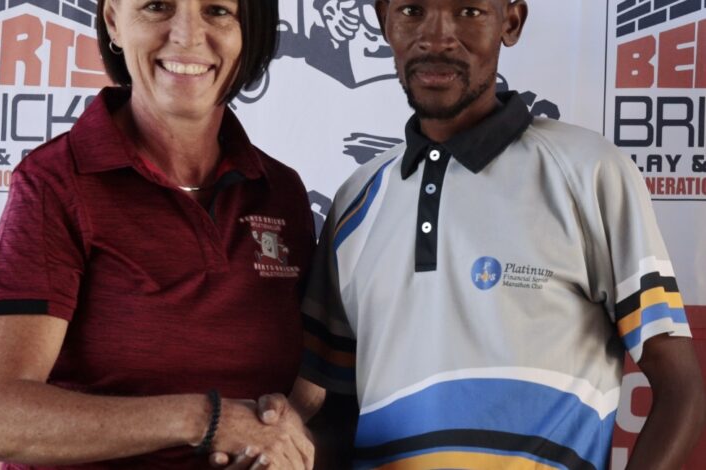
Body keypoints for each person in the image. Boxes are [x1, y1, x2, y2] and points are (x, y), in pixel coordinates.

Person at [259, 0, 706, 469]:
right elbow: (338, 416)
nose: (436, 37)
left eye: (468, 11)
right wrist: (271, 442)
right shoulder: (355, 200)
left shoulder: (589, 173)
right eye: (411, 10)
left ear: (510, 22)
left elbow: (680, 390)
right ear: (383, 20)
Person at [0, 1, 315, 469]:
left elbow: (314, 387)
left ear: (250, 31)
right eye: (157, 6)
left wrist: (285, 431)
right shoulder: (57, 184)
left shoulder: (280, 192)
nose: (188, 35)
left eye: (217, 10)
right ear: (113, 21)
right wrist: (205, 419)